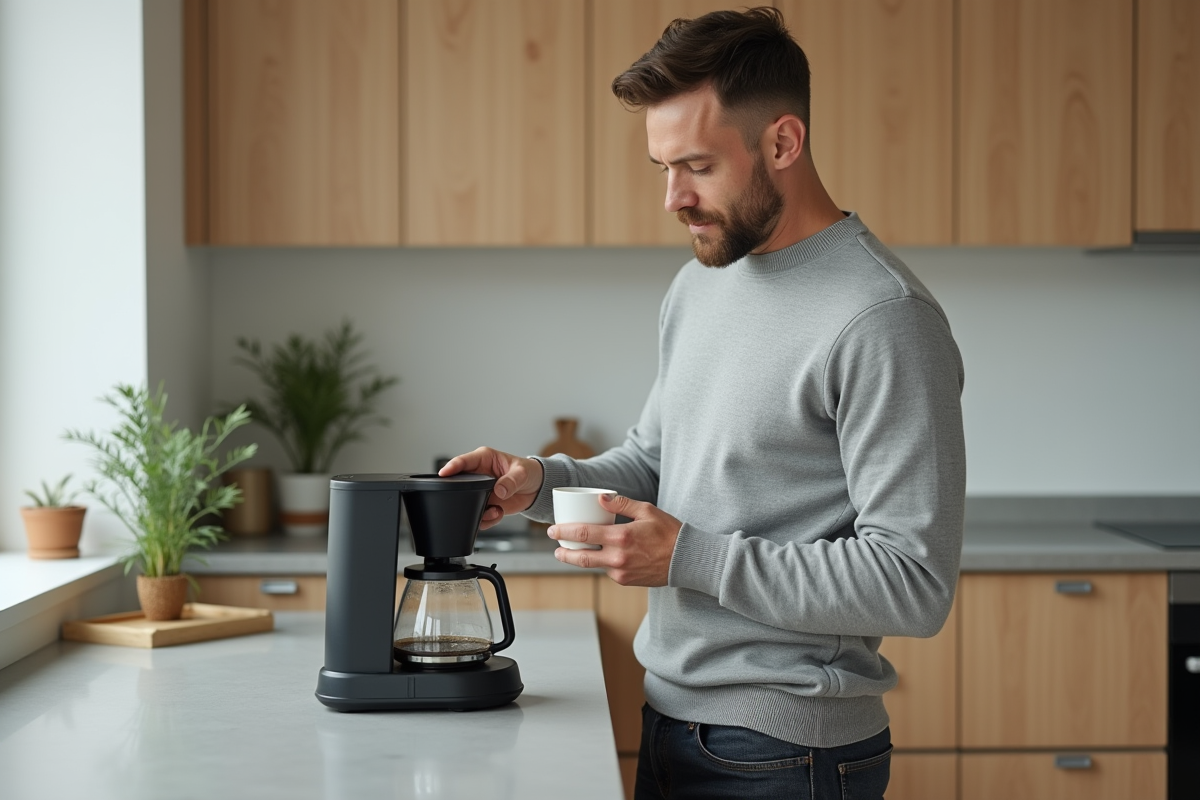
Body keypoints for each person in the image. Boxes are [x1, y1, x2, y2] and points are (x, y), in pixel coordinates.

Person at [440, 7, 965, 799]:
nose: (673, 198)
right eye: (662, 168)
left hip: (789, 750)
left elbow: (913, 583)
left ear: (782, 143)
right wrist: (538, 484)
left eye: (696, 166)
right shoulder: (703, 282)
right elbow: (657, 462)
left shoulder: (882, 318)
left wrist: (689, 557)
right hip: (671, 720)